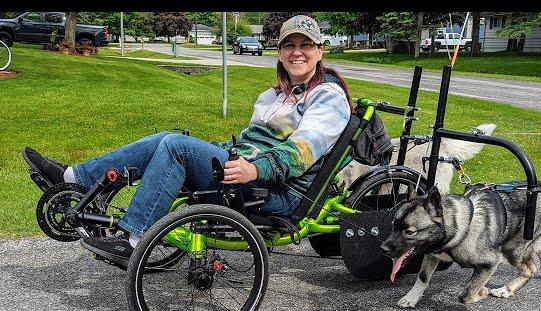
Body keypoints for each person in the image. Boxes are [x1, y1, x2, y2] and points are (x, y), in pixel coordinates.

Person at [23, 15, 353, 263]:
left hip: (276, 190)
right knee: (169, 137)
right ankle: (75, 179)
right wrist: (227, 154)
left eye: (306, 45)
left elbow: (303, 150)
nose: (298, 52)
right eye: (290, 45)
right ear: (279, 52)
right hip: (247, 173)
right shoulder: (275, 95)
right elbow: (254, 142)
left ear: (320, 51)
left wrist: (256, 169)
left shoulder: (327, 96)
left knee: (176, 147)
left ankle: (134, 239)